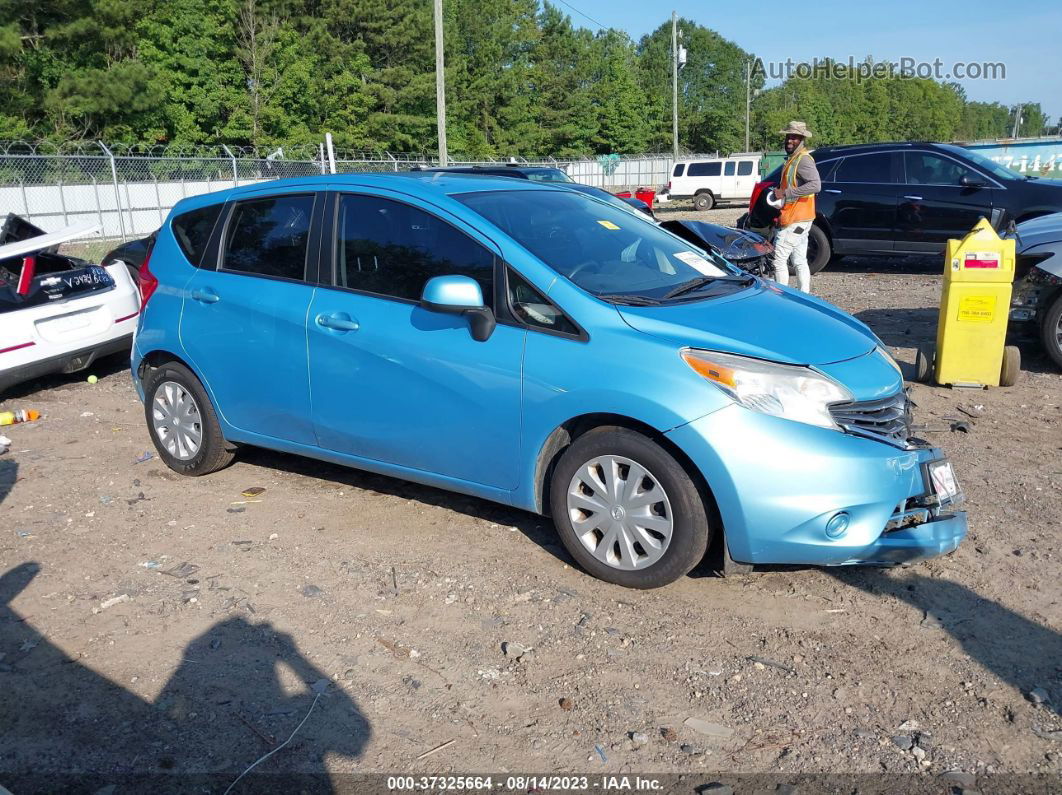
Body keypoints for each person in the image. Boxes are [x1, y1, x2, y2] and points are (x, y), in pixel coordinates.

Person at [768, 121, 821, 293]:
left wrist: (785, 193)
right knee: (799, 259)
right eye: (788, 137)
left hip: (796, 219)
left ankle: (783, 299)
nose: (790, 140)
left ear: (802, 140)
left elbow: (815, 185)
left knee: (779, 259)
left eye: (795, 138)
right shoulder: (793, 159)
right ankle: (804, 296)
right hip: (800, 218)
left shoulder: (803, 160)